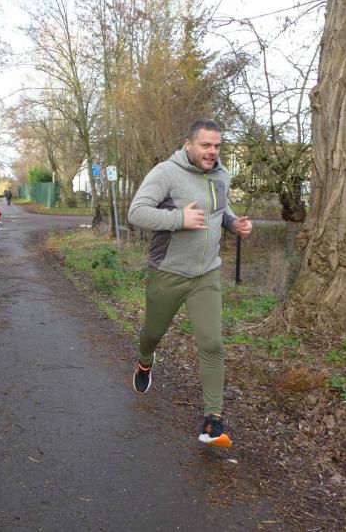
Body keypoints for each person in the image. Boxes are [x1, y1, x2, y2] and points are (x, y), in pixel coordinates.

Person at [127, 119, 252, 448]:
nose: (212, 151)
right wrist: (179, 219)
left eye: (217, 146)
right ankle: (145, 361)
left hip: (206, 274)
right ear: (188, 144)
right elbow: (136, 213)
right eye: (205, 145)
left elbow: (219, 210)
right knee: (152, 333)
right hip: (168, 272)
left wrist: (233, 223)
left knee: (212, 343)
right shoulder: (166, 173)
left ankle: (213, 420)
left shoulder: (221, 175)